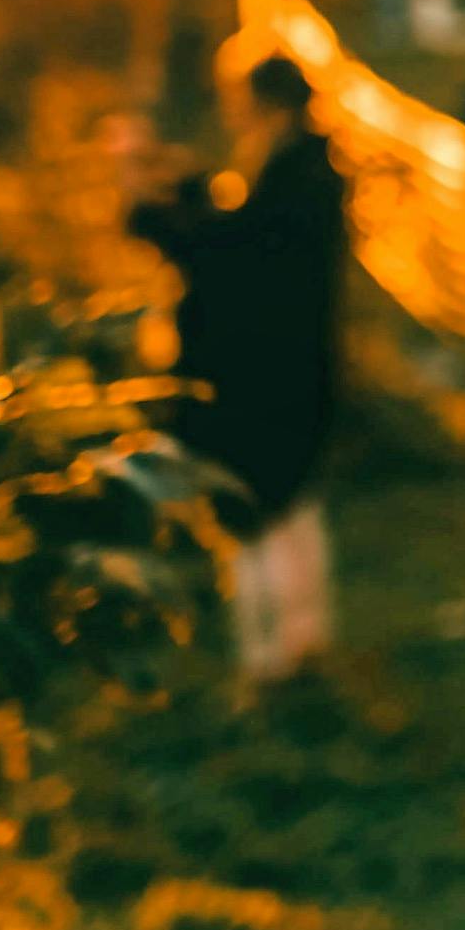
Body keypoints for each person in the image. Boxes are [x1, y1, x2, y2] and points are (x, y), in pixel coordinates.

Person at [128, 51, 351, 680]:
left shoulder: (293, 174)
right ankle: (302, 641)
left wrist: (163, 218)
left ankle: (271, 654)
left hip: (266, 375)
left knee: (256, 507)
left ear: (263, 101)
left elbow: (241, 258)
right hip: (296, 366)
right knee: (293, 505)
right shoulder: (305, 167)